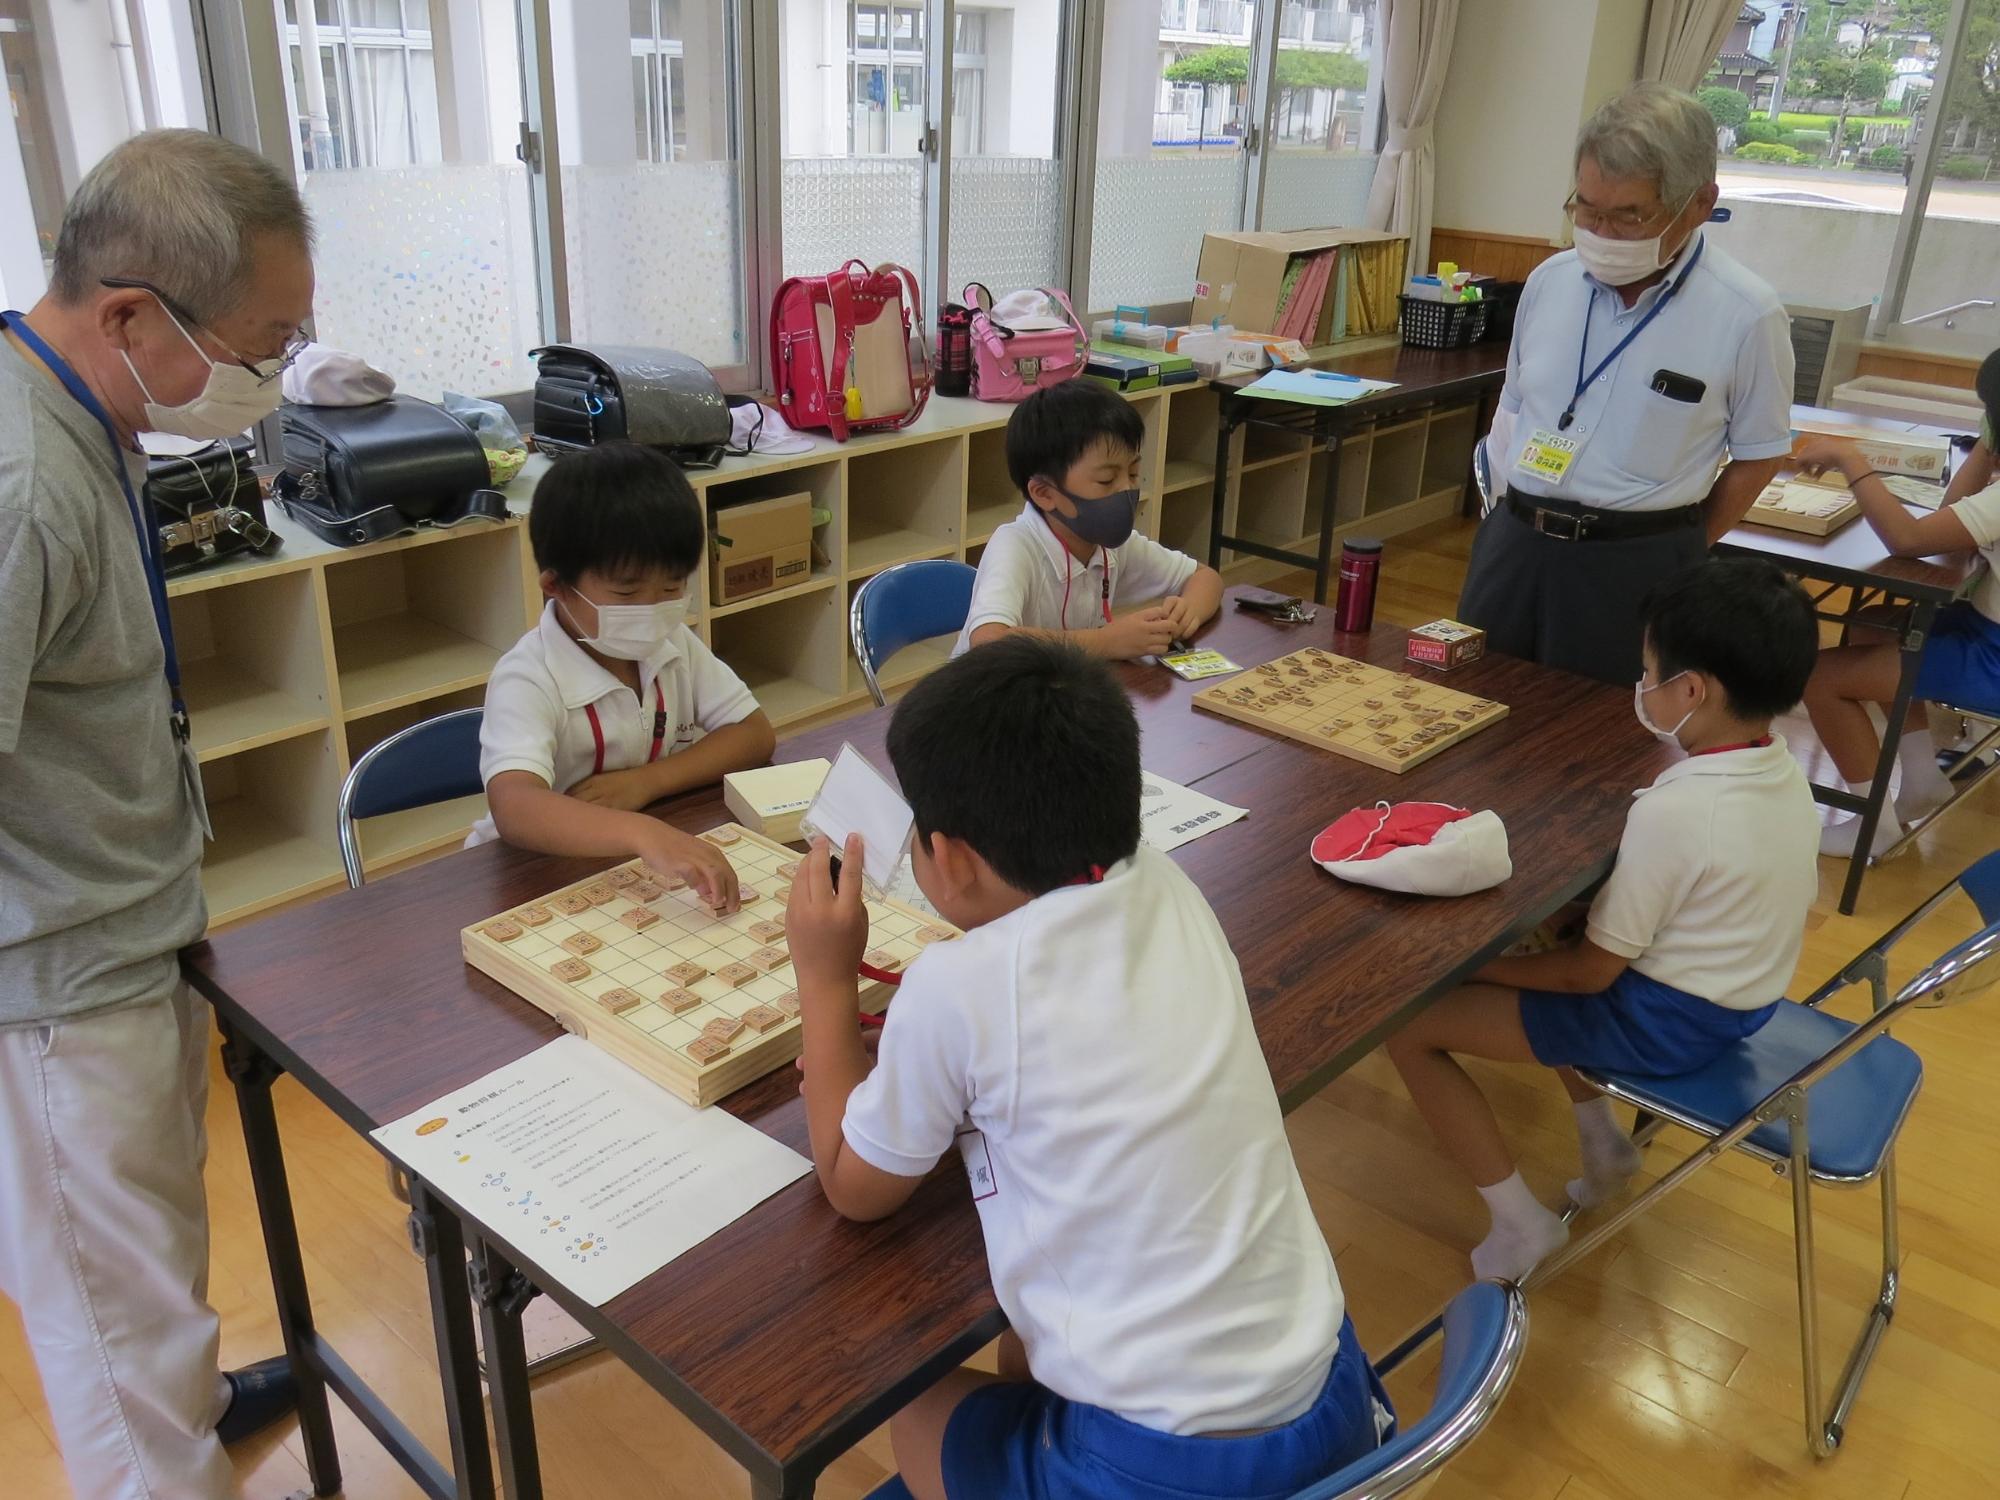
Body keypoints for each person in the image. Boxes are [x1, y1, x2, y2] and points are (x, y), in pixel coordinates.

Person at [784, 637, 1391, 1500]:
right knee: (1023, 1349)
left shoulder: (956, 988)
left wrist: (824, 971)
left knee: (906, 1404)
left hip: (1175, 1472)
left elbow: (852, 1187)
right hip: (1328, 1394)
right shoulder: (1166, 883)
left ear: (947, 857)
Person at [1, 129, 313, 1500]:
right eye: (263, 348)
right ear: (130, 312)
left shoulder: (85, 414)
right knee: (107, 1314)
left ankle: (180, 1394)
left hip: (130, 921)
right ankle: (158, 1454)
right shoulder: (20, 485)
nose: (269, 381)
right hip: (58, 980)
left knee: (148, 1257)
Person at [1388, 559, 1820, 1281]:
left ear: (1692, 690)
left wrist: (1464, 962)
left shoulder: (1683, 809)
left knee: (1408, 1025)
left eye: (1649, 671)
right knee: (1551, 932)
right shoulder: (1778, 769)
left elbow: (1589, 974)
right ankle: (1603, 1142)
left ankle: (1520, 1226)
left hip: (1667, 1018)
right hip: (1742, 999)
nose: (1642, 686)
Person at [1457, 83, 1795, 686]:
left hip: (1638, 564)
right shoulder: (1549, 283)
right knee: (1473, 708)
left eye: (1629, 215)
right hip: (1514, 545)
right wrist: (1505, 513)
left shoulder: (1747, 314)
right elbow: (1513, 408)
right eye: (1586, 209)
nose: (1602, 233)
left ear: (1699, 202)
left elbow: (1758, 456)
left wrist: (1680, 544)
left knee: (1601, 750)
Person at [470, 442, 776, 908]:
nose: (653, 610)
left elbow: (753, 734)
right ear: (557, 587)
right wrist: (642, 831)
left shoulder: (672, 643)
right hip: (531, 872)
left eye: (672, 587)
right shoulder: (527, 675)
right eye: (627, 592)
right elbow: (515, 808)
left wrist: (645, 784)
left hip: (631, 862)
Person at [1797, 348, 2000, 857]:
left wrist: (1850, 459)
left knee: (1818, 678)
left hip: (1995, 657)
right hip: (1983, 627)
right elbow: (1955, 523)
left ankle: (1876, 830)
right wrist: (1988, 443)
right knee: (1875, 623)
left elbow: (1908, 538)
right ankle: (1921, 777)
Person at [954, 379, 1223, 660]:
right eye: (1106, 480)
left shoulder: (1110, 544)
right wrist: (1105, 642)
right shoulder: (1015, 545)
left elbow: (1206, 578)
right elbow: (988, 643)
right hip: (986, 699)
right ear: (1045, 493)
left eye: (1132, 474)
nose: (1126, 489)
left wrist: (1187, 611)